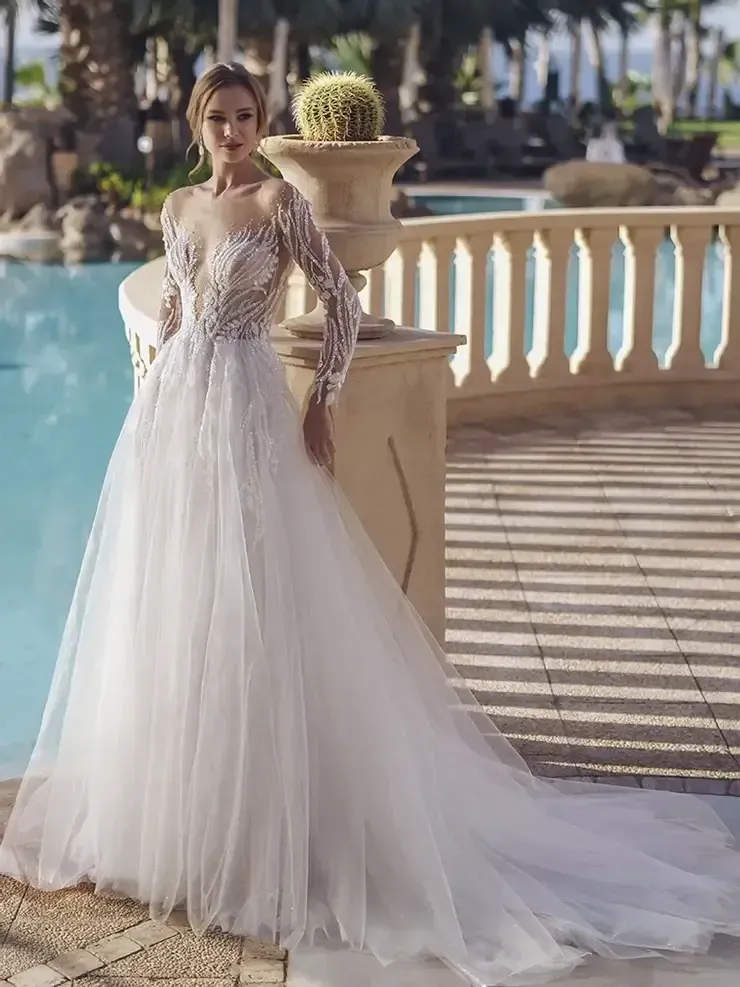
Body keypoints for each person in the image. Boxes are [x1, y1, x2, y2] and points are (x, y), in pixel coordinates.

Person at [2, 62, 740, 987]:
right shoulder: (179, 205)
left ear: (262, 123)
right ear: (199, 123)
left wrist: (325, 405)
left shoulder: (277, 200)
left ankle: (268, 816)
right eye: (219, 117)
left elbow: (341, 307)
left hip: (247, 406)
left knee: (260, 600)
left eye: (244, 116)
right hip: (173, 416)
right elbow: (180, 311)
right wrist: (156, 401)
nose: (232, 129)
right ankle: (183, 813)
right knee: (179, 600)